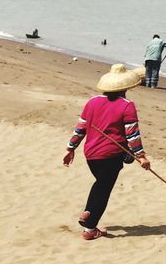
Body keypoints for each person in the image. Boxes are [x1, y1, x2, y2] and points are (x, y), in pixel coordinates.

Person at [63, 63, 152, 240]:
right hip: (111, 155)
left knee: (100, 184)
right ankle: (90, 228)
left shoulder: (92, 101)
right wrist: (141, 157)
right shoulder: (127, 106)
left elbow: (80, 128)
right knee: (103, 189)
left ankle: (88, 213)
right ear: (126, 87)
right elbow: (132, 134)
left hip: (91, 155)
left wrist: (71, 148)